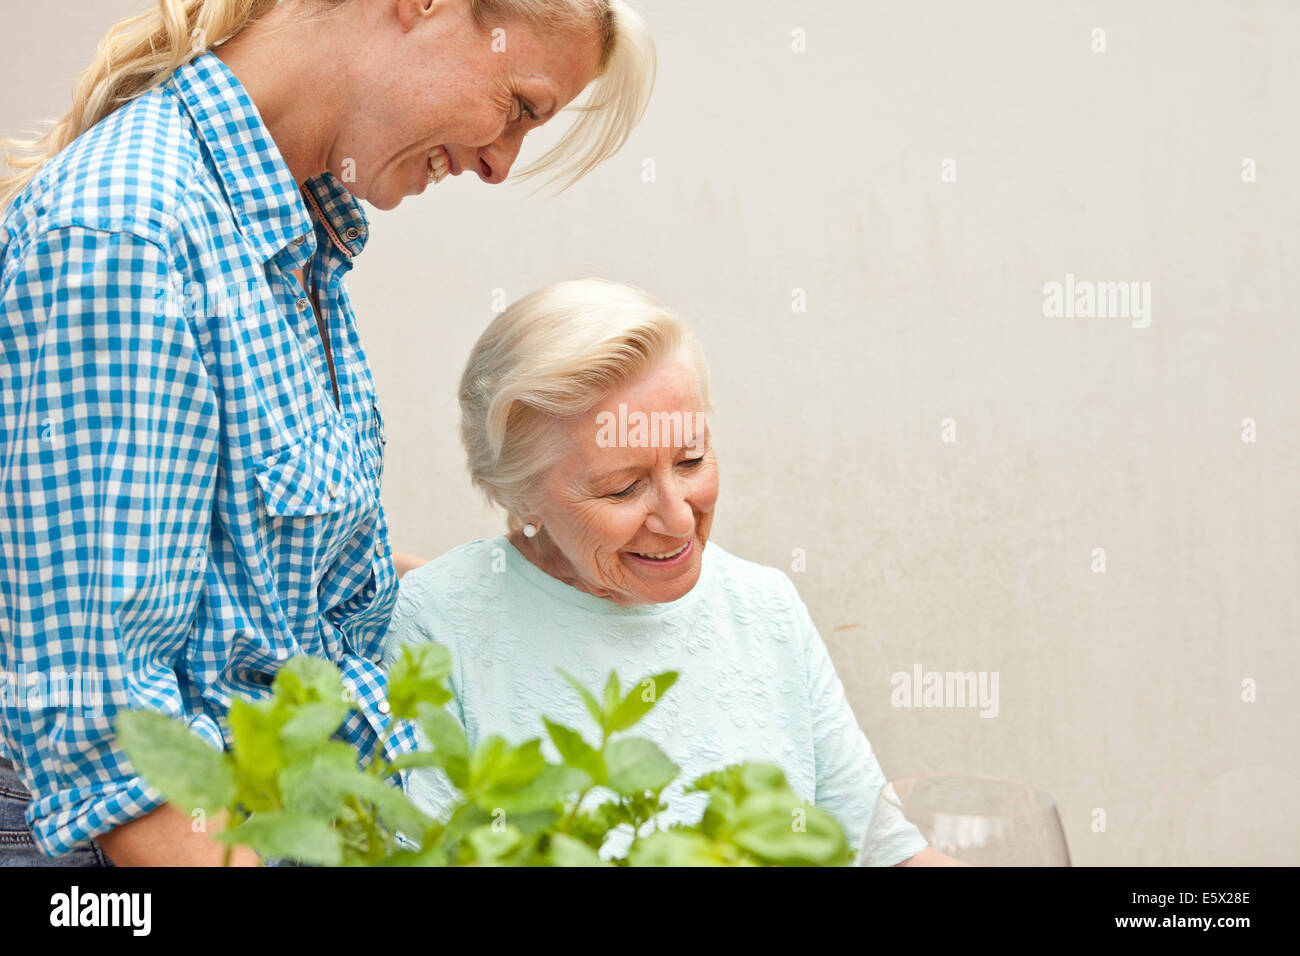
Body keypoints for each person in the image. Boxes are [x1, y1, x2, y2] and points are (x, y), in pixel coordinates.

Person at [0, 0, 654, 866]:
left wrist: (528, 582)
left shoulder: (292, 233)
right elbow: (119, 749)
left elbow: (270, 597)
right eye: (520, 107)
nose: (502, 162)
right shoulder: (130, 236)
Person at [382, 279, 957, 865]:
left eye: (692, 459)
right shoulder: (437, 623)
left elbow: (883, 849)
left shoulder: (765, 607)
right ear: (522, 495)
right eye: (622, 487)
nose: (680, 520)